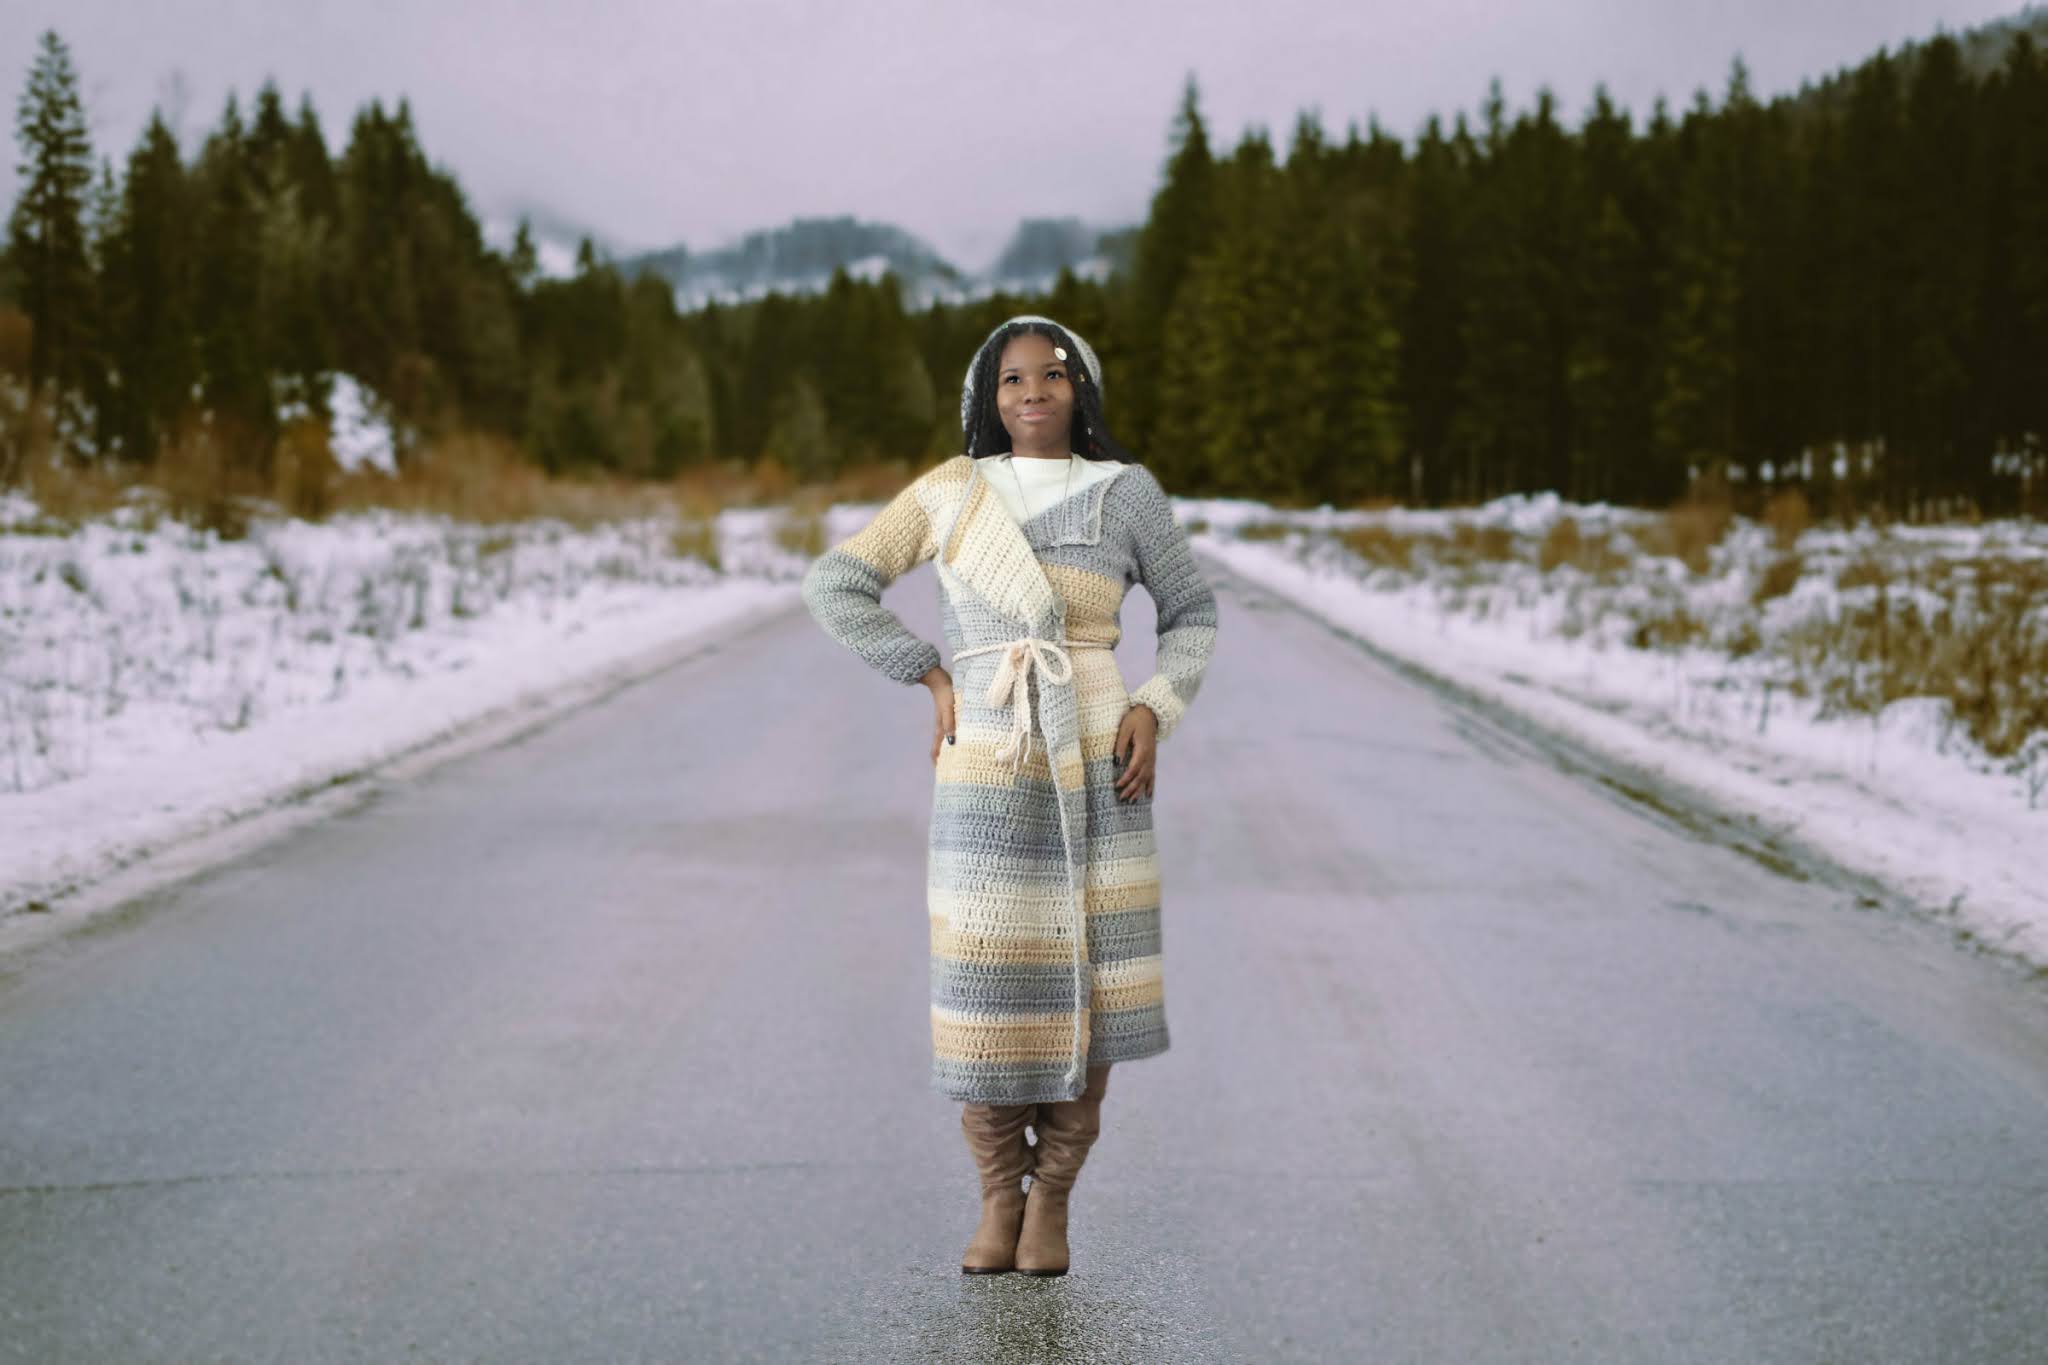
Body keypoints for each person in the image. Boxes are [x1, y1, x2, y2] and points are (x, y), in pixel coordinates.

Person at [801, 314, 1219, 1277]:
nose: (1033, 391)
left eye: (1053, 374)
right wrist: (928, 672)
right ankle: (999, 1193)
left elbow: (1191, 611)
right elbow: (836, 583)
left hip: (1098, 743)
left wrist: (1155, 705)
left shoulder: (1127, 492)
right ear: (987, 397)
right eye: (1013, 378)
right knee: (985, 982)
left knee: (1091, 978)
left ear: (1082, 389)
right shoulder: (952, 491)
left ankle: (1053, 1199)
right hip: (990, 747)